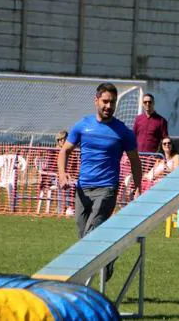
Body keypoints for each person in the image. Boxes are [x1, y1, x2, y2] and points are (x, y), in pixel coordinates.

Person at [58, 82, 142, 281]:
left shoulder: (123, 132)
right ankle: (109, 256)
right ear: (96, 101)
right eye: (105, 101)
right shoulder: (82, 126)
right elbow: (65, 151)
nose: (108, 106)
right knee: (82, 233)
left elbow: (135, 160)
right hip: (82, 189)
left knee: (91, 232)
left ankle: (79, 282)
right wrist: (62, 174)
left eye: (112, 102)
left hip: (107, 189)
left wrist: (137, 186)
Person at [38, 130, 74, 215]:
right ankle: (62, 209)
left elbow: (74, 167)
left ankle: (70, 208)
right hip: (53, 177)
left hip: (68, 176)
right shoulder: (52, 151)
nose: (63, 141)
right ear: (57, 140)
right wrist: (62, 174)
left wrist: (69, 173)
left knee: (75, 183)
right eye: (60, 139)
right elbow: (50, 167)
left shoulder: (71, 151)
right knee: (63, 183)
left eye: (64, 139)